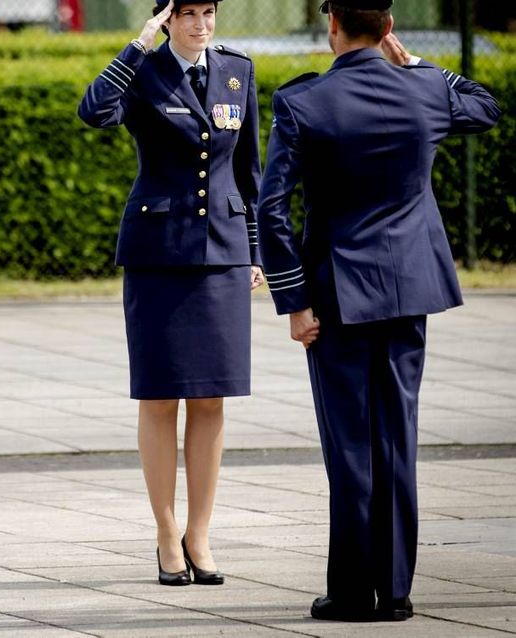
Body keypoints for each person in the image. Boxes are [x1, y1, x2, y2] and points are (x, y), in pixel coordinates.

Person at [256, 0, 500, 622]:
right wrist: (416, 63)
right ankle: (394, 591)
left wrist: (294, 300)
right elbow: (484, 105)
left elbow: (272, 210)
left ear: (331, 25)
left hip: (337, 294)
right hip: (409, 290)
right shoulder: (422, 92)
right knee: (397, 439)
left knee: (350, 445)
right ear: (388, 27)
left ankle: (350, 591)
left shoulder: (303, 102)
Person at [78, 0, 265, 586]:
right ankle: (165, 533)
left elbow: (250, 171)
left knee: (211, 400)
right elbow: (94, 111)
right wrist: (137, 46)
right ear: (165, 19)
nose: (199, 24)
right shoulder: (144, 71)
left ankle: (200, 533)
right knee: (160, 400)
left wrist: (256, 250)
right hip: (159, 254)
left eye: (207, 12)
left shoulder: (238, 70)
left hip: (224, 253)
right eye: (185, 13)